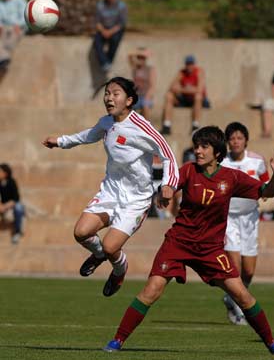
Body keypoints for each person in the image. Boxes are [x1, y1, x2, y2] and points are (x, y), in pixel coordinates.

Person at [103, 126, 274, 356]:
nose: (198, 151)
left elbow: (267, 192)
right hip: (178, 243)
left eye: (204, 147)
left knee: (242, 295)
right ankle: (117, 340)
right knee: (151, 290)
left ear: (217, 152)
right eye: (197, 146)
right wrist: (165, 192)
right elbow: (170, 183)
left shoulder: (231, 177)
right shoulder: (189, 171)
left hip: (210, 249)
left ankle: (272, 343)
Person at [43, 76, 179, 297]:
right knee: (81, 233)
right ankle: (98, 256)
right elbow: (88, 135)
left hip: (136, 199)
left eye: (115, 94)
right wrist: (61, 141)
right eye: (107, 93)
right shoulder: (106, 122)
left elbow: (168, 155)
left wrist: (169, 185)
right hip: (110, 192)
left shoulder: (141, 126)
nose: (109, 98)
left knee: (110, 247)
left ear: (129, 100)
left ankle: (119, 269)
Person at [221, 122, 269, 325]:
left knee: (248, 271)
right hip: (228, 219)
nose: (235, 142)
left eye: (239, 138)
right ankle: (240, 307)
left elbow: (266, 185)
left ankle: (232, 297)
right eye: (232, 138)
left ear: (246, 140)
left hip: (250, 219)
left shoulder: (257, 161)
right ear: (227, 142)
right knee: (235, 266)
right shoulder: (222, 162)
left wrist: (266, 191)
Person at [160, 55, 209, 135]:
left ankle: (195, 126)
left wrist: (182, 89)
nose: (189, 66)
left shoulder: (199, 72)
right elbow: (172, 87)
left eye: (191, 64)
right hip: (185, 99)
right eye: (188, 64)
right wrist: (188, 89)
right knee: (169, 95)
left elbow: (199, 90)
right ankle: (167, 125)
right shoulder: (182, 72)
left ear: (194, 64)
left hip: (197, 100)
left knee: (198, 96)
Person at [94, 0, 127, 72]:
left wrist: (110, 32)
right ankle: (104, 63)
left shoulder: (121, 6)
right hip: (103, 29)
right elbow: (97, 22)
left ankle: (109, 60)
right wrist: (103, 31)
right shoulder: (100, 5)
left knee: (115, 40)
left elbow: (122, 23)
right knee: (97, 42)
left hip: (115, 29)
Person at [0, 0, 27, 70]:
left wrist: (18, 25)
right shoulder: (1, 3)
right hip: (5, 27)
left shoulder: (20, 1)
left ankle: (5, 59)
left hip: (18, 27)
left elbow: (24, 16)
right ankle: (4, 59)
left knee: (9, 39)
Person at [128, 47, 156, 121]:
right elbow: (129, 55)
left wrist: (148, 96)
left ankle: (147, 127)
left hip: (146, 96)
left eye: (142, 57)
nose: (140, 59)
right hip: (136, 96)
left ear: (145, 58)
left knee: (145, 104)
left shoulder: (150, 69)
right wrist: (140, 52)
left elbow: (152, 86)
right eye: (139, 57)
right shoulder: (135, 67)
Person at [0, 163, 25, 244]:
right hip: (1, 207)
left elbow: (16, 198)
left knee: (19, 207)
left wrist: (5, 206)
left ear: (5, 173)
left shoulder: (11, 182)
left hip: (10, 206)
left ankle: (17, 232)